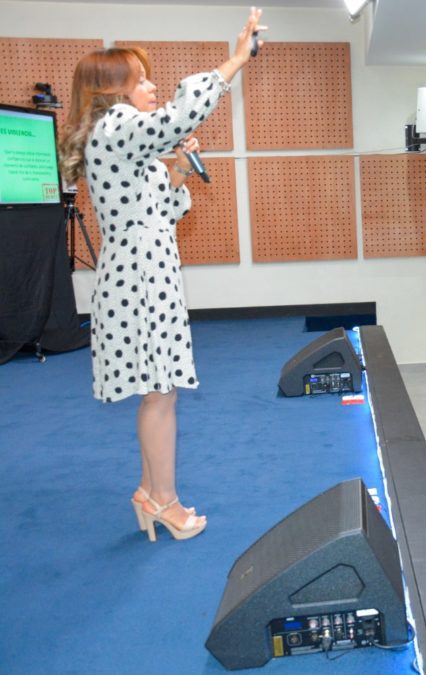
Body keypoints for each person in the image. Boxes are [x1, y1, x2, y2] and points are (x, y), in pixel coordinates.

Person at [57, 8, 265, 542]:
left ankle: (151, 494)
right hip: (139, 279)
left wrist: (171, 170)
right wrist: (235, 61)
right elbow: (181, 114)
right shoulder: (117, 126)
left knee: (160, 392)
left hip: (148, 272)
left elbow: (169, 212)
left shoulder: (127, 141)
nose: (152, 86)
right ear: (113, 91)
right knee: (160, 393)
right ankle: (163, 501)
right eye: (142, 79)